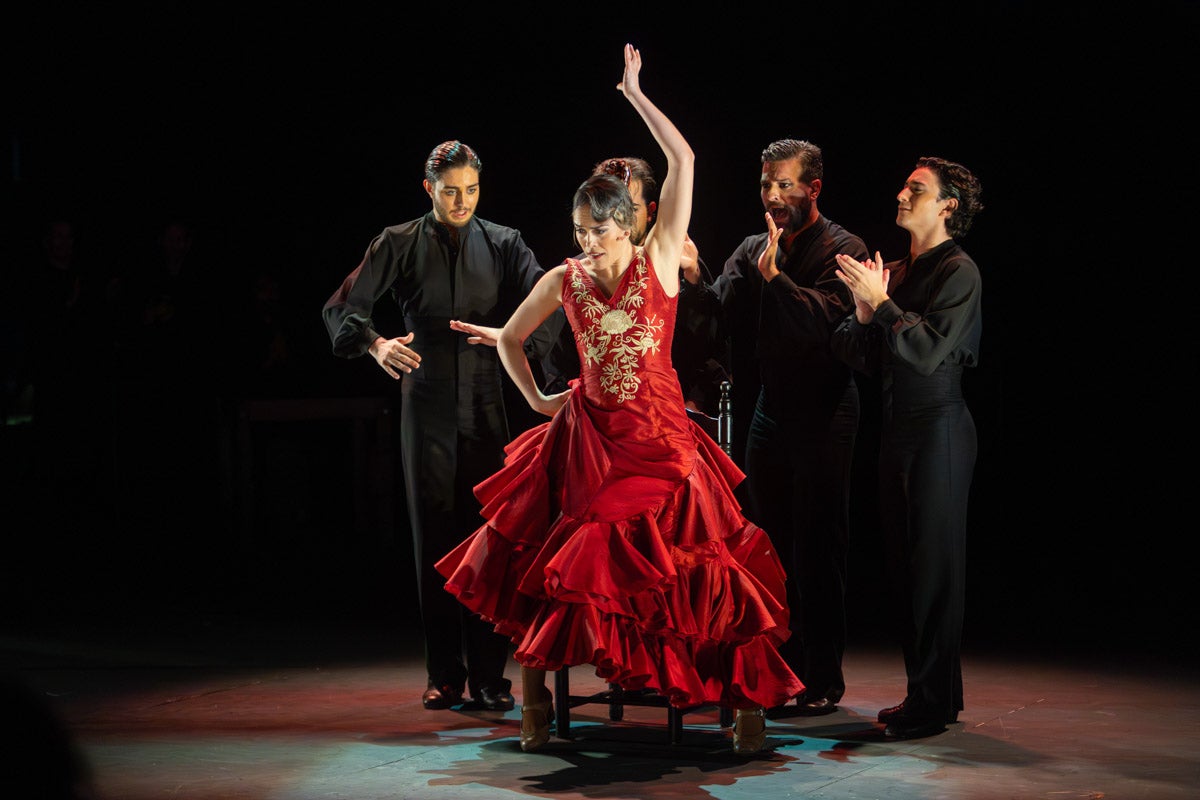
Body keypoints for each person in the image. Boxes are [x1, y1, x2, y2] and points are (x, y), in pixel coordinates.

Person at [436, 44, 802, 755]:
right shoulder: (564, 279)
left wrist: (634, 92)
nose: (589, 244)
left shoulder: (661, 253)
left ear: (628, 224)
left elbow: (685, 161)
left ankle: (744, 704)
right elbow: (511, 341)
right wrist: (543, 401)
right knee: (556, 555)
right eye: (580, 233)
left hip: (662, 440)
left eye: (600, 231)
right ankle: (536, 701)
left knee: (708, 570)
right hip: (591, 442)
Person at [322, 140, 547, 713]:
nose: (461, 201)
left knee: (490, 538)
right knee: (435, 539)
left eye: (471, 190)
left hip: (486, 402)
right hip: (424, 403)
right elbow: (342, 307)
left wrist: (511, 338)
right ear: (429, 189)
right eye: (450, 191)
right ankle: (444, 673)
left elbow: (553, 301)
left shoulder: (503, 242)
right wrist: (373, 344)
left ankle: (492, 677)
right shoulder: (398, 241)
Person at [713, 139, 869, 717]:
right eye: (766, 185)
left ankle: (822, 678)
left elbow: (824, 327)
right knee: (768, 546)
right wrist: (693, 273)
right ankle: (777, 672)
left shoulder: (844, 248)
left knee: (819, 548)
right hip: (771, 411)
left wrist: (775, 278)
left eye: (785, 185)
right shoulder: (755, 246)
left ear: (814, 189)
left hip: (826, 413)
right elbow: (718, 309)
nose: (773, 196)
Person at [831, 155, 984, 740]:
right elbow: (859, 353)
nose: (901, 193)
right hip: (898, 426)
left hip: (940, 427)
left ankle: (931, 700)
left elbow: (926, 353)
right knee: (905, 567)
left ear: (947, 205)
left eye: (915, 188)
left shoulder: (959, 271)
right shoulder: (893, 268)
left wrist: (884, 304)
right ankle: (931, 696)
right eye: (903, 184)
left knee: (933, 570)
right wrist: (868, 309)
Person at [538, 156, 730, 418]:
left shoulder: (678, 265)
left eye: (628, 207)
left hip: (668, 411)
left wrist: (693, 278)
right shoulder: (576, 276)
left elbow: (709, 346)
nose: (619, 217)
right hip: (598, 416)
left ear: (651, 212)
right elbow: (560, 354)